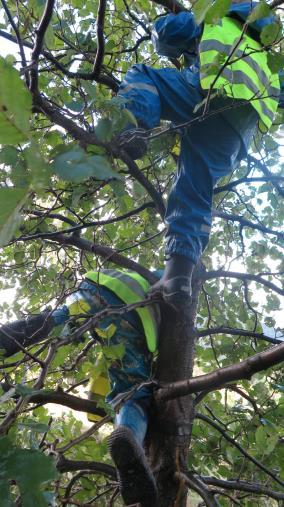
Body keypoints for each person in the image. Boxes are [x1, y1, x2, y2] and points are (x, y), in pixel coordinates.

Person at [117, 0, 282, 306]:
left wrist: (182, 17)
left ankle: (136, 128)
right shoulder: (270, 57)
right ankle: (177, 277)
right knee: (194, 190)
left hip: (207, 93)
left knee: (143, 75)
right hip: (238, 126)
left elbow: (166, 36)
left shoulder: (214, 13)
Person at [0, 268, 161, 507]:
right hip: (133, 313)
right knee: (135, 391)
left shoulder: (141, 273)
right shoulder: (175, 287)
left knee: (55, 319)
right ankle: (128, 435)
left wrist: (95, 405)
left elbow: (101, 372)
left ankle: (7, 336)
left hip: (92, 286)